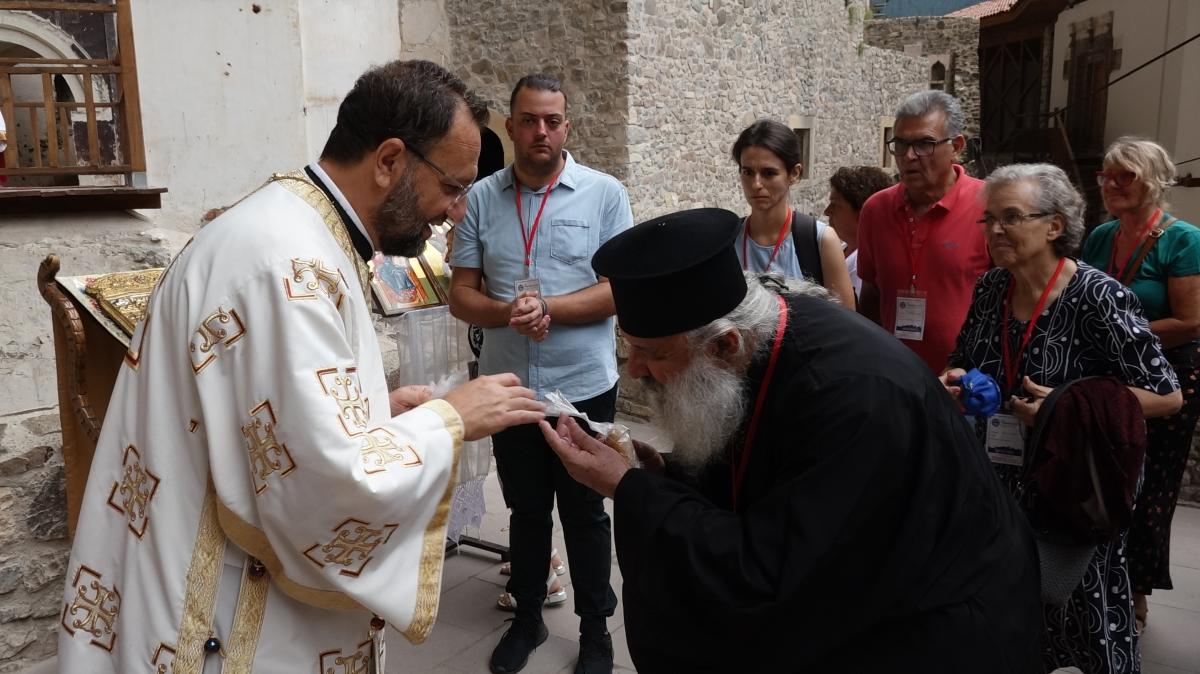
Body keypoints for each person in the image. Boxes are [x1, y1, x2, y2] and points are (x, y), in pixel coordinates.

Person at [57, 60, 547, 674]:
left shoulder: (288, 226)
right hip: (228, 616)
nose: (455, 212)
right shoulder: (289, 264)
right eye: (452, 187)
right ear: (390, 160)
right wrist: (452, 421)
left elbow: (266, 416)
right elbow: (321, 483)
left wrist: (377, 414)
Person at [539, 207, 1043, 673]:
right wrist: (666, 473)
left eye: (652, 353)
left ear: (725, 345)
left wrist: (630, 490)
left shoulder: (852, 400)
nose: (635, 370)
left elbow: (772, 574)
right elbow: (762, 464)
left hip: (939, 631)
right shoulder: (763, 342)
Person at [943, 163, 1182, 673]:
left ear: (1054, 225)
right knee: (1008, 625)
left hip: (1076, 491)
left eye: (1011, 217)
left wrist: (1062, 408)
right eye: (989, 220)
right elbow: (964, 356)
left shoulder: (1098, 296)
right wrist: (958, 380)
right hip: (1000, 490)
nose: (996, 231)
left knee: (1092, 625)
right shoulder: (991, 290)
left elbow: (1166, 395)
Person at [448, 73, 633, 674]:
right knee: (527, 511)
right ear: (510, 125)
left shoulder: (604, 194)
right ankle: (526, 617)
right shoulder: (480, 198)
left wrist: (550, 308)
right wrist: (509, 313)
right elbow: (461, 294)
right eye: (529, 120)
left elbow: (617, 291)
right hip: (510, 388)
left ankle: (596, 629)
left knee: (584, 513)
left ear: (567, 127)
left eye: (552, 120)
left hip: (581, 384)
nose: (541, 131)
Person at [1080, 137, 1200, 632]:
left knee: (1151, 487)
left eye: (1124, 176)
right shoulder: (1101, 236)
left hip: (1165, 376)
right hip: (1106, 372)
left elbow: (1190, 321)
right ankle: (1092, 578)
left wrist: (1121, 331)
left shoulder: (1183, 239)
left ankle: (1136, 590)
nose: (1111, 185)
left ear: (1154, 179)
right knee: (1103, 478)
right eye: (1106, 176)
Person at [857, 90, 990, 373]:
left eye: (924, 144)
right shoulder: (875, 210)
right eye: (901, 144)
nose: (908, 156)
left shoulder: (990, 207)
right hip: (895, 380)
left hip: (966, 384)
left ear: (956, 146)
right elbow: (870, 294)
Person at [732, 119, 856, 308]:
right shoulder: (728, 241)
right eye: (747, 172)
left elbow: (846, 326)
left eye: (768, 173)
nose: (756, 184)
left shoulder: (820, 240)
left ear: (794, 174)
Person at [824, 165, 893, 297]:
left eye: (835, 205)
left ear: (862, 214)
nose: (827, 212)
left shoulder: (861, 264)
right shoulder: (842, 250)